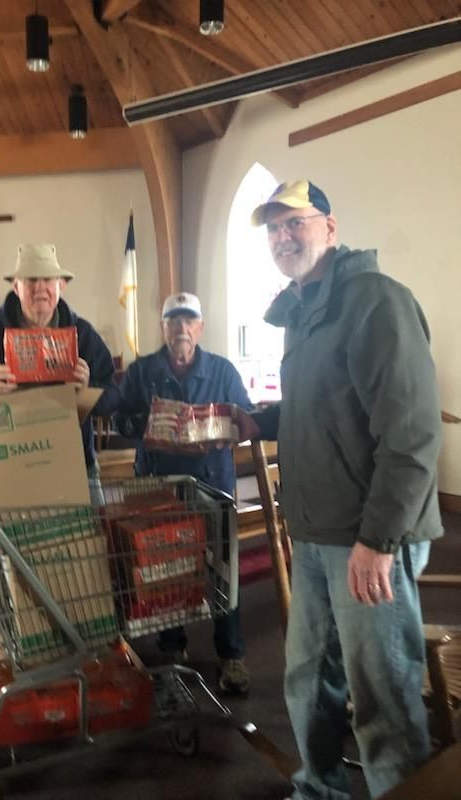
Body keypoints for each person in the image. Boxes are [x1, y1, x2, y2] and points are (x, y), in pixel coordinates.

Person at [235, 180, 443, 799]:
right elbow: (321, 406)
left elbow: (411, 435)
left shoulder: (375, 302)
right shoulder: (303, 311)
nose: (282, 237)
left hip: (368, 536)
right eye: (274, 228)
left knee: (382, 693)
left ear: (330, 227)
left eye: (295, 222)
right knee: (307, 679)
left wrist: (378, 541)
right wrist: (261, 422)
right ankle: (317, 788)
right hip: (315, 532)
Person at [115, 291, 255, 695]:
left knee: (224, 569)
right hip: (158, 484)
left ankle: (231, 654)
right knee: (163, 568)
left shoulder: (223, 371)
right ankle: (172, 648)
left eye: (189, 320)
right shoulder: (141, 372)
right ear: (163, 328)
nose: (181, 329)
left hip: (213, 483)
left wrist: (227, 428)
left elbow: (244, 417)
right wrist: (150, 422)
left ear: (200, 327)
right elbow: (120, 420)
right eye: (173, 321)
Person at [0, 243, 119, 477]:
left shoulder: (83, 334)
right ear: (16, 287)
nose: (39, 288)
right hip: (6, 465)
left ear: (61, 285)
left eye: (47, 279)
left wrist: (88, 389)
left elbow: (113, 398)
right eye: (31, 280)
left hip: (74, 465)